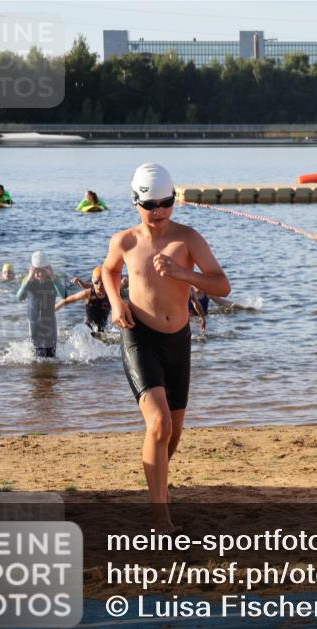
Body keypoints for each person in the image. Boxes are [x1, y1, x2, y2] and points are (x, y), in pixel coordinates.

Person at [102, 163, 229, 532]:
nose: (158, 211)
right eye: (150, 205)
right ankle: (161, 517)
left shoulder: (188, 239)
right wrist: (116, 303)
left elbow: (222, 285)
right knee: (159, 423)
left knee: (173, 431)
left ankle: (158, 485)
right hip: (139, 336)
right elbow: (109, 271)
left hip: (178, 341)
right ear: (135, 202)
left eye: (165, 203)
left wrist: (183, 273)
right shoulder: (125, 241)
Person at [16, 250, 66, 358]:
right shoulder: (28, 280)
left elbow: (64, 296)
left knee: (51, 355)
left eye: (43, 270)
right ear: (32, 269)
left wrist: (53, 278)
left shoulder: (55, 279)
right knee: (35, 355)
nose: (40, 274)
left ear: (48, 268)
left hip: (50, 322)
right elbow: (19, 297)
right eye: (37, 271)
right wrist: (29, 279)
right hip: (33, 322)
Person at [55, 266, 112, 334]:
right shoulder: (87, 294)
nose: (99, 286)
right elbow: (67, 300)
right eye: (96, 283)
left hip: (103, 331)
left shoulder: (111, 294)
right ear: (92, 282)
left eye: (102, 283)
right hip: (87, 331)